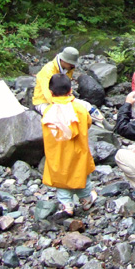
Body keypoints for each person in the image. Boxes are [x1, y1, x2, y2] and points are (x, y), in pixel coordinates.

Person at [41, 73, 97, 216]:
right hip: (78, 152)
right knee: (81, 176)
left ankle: (67, 205)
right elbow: (89, 123)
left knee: (61, 180)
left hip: (57, 154)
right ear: (70, 90)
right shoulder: (79, 109)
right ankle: (85, 200)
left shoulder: (48, 111)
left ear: (51, 92)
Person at [33, 47, 106, 127]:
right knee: (56, 115)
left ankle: (103, 123)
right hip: (44, 101)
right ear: (63, 60)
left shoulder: (69, 69)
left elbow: (67, 87)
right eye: (70, 63)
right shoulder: (48, 70)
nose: (72, 65)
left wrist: (69, 99)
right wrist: (62, 105)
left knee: (86, 105)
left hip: (64, 98)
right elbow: (47, 93)